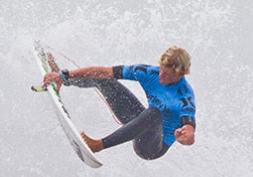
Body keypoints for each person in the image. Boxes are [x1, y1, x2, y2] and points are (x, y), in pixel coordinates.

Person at [42, 46, 196, 161]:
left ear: (180, 74)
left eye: (167, 75)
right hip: (140, 123)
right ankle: (62, 80)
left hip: (152, 146)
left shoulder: (184, 97)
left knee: (154, 113)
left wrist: (185, 137)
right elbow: (104, 71)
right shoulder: (149, 72)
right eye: (161, 70)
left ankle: (97, 145)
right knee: (105, 79)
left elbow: (189, 130)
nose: (161, 76)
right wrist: (65, 75)